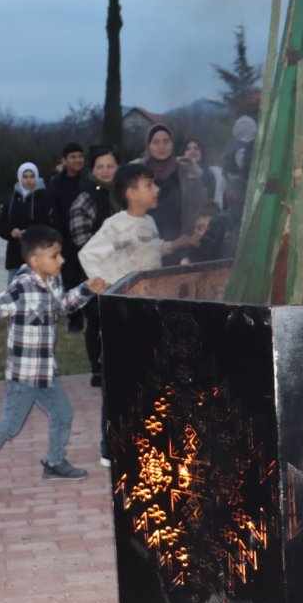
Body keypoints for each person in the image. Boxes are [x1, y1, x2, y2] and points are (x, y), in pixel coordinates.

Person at [0, 225, 106, 500]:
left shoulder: (52, 281)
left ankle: (55, 464)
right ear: (35, 261)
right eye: (55, 256)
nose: (62, 260)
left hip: (46, 372)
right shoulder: (22, 287)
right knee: (10, 424)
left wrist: (86, 289)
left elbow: (63, 306)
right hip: (24, 374)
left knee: (63, 415)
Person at [80, 163, 209, 465]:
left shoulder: (149, 222)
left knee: (147, 375)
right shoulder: (117, 225)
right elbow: (88, 255)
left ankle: (144, 435)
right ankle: (109, 447)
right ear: (130, 193)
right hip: (123, 315)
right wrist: (111, 289)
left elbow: (151, 251)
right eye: (149, 185)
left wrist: (173, 245)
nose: (156, 189)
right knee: (118, 378)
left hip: (149, 312)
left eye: (155, 184)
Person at [67, 146, 120, 385]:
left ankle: (118, 364)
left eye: (110, 166)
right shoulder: (85, 199)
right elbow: (81, 241)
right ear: (93, 170)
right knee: (97, 320)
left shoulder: (124, 194)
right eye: (101, 167)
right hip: (95, 270)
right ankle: (97, 368)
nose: (106, 171)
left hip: (125, 270)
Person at [134, 123, 206, 243]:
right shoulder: (138, 171)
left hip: (182, 239)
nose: (161, 146)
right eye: (156, 142)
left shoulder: (186, 169)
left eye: (166, 142)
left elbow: (201, 203)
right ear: (148, 145)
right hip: (145, 241)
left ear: (172, 144)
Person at [47, 143, 90, 334]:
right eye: (73, 156)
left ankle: (93, 312)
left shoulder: (89, 180)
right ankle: (75, 318)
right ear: (64, 161)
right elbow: (52, 209)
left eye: (80, 156)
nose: (77, 160)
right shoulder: (56, 182)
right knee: (70, 279)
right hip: (65, 238)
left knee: (91, 275)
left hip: (89, 237)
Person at [0, 162, 54, 272]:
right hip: (15, 255)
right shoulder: (11, 199)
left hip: (38, 252)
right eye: (25, 177)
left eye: (32, 176)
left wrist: (31, 232)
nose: (28, 180)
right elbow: (0, 223)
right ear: (19, 178)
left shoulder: (45, 197)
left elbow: (49, 224)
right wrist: (11, 231)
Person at [183, 137, 225, 209]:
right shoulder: (178, 176)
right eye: (188, 149)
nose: (192, 151)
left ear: (202, 152)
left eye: (196, 148)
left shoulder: (214, 174)